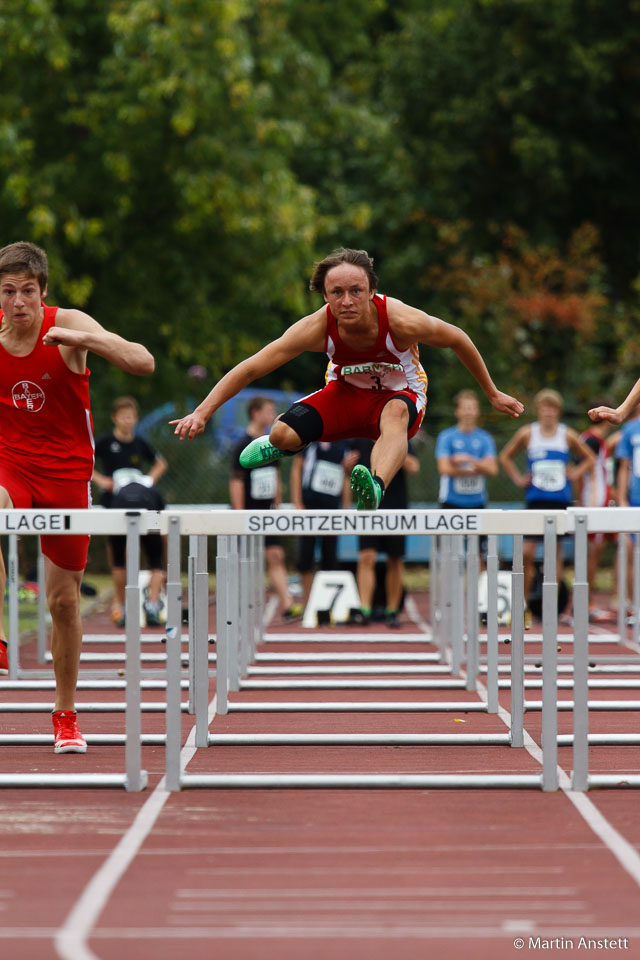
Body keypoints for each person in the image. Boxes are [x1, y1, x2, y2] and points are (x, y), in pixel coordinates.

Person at [171, 248, 523, 510]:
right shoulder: (316, 327)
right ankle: (282, 443)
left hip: (399, 395)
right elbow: (252, 367)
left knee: (394, 416)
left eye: (356, 291)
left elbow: (458, 338)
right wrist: (202, 412)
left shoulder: (400, 320)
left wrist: (491, 392)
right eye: (336, 293)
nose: (347, 301)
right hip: (344, 394)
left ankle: (375, 487)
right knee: (281, 431)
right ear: (324, 296)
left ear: (371, 290)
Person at [0, 241, 154, 752]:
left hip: (66, 474)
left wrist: (83, 340)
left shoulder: (66, 323)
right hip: (11, 465)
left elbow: (143, 362)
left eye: (27, 291)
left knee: (64, 603)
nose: (18, 302)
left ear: (43, 293)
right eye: (7, 292)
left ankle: (65, 714)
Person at [499, 388, 596, 622]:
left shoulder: (567, 435)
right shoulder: (528, 433)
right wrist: (518, 478)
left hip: (559, 500)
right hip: (536, 500)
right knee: (527, 552)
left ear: (558, 411)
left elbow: (590, 458)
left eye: (552, 409)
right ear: (538, 411)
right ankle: (522, 605)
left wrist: (575, 472)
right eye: (544, 408)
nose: (548, 413)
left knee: (555, 554)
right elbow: (505, 456)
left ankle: (554, 605)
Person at [92, 396, 168, 628]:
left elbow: (160, 462)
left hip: (146, 504)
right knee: (118, 553)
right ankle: (120, 604)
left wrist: (148, 481)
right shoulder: (104, 442)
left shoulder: (140, 443)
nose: (128, 421)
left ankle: (153, 603)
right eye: (123, 416)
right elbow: (85, 462)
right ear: (115, 418)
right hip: (116, 503)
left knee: (156, 547)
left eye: (131, 416)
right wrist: (102, 481)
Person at [230, 396, 302, 620]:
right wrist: (240, 514)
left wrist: (277, 504)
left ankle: (288, 604)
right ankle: (240, 605)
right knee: (243, 560)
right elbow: (236, 481)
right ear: (255, 413)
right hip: (247, 511)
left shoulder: (272, 444)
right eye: (268, 411)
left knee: (276, 555)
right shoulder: (243, 445)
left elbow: (276, 475)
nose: (272, 416)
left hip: (268, 511)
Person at [346, 438, 420, 627]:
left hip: (395, 505)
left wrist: (391, 454)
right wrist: (347, 467)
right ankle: (364, 609)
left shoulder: (399, 433)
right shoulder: (359, 435)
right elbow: (349, 472)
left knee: (395, 559)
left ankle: (392, 611)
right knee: (366, 556)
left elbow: (414, 467)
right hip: (367, 507)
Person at [290, 440, 355, 605]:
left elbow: (346, 476)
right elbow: (297, 468)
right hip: (309, 505)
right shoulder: (310, 440)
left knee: (330, 557)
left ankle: (326, 604)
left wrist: (345, 508)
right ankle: (308, 603)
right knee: (306, 557)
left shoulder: (343, 444)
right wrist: (297, 502)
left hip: (332, 508)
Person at [579, 405, 620, 623]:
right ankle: (585, 605)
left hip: (599, 501)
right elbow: (579, 470)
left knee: (598, 552)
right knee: (592, 555)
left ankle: (588, 603)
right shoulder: (592, 440)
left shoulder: (595, 440)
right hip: (594, 502)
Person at [436, 389, 498, 512]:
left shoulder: (485, 438)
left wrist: (469, 460)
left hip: (478, 503)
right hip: (450, 502)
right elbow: (444, 468)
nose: (468, 412)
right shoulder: (446, 437)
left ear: (477, 411)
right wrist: (478, 467)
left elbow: (492, 470)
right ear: (457, 411)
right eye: (464, 408)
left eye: (472, 408)